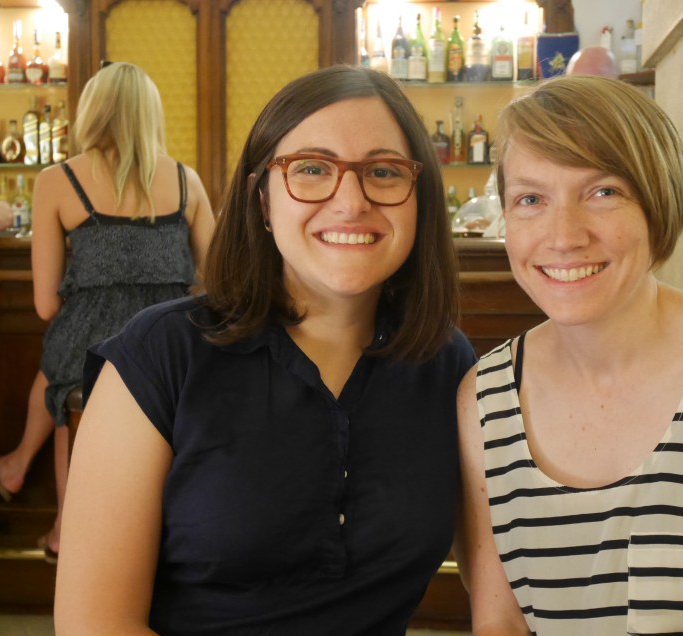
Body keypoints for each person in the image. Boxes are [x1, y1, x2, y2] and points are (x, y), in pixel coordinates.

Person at [54, 65, 475, 635]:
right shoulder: (160, 356)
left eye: (383, 171)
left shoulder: (448, 364)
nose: (351, 201)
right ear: (262, 202)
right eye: (311, 169)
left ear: (419, 200)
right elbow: (94, 625)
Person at [455, 76, 683, 635]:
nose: (564, 236)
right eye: (531, 200)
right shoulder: (484, 398)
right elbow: (500, 625)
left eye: (603, 192)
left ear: (659, 201)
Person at [0, 62, 214, 564]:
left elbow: (46, 304)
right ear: (150, 114)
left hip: (91, 348)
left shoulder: (58, 180)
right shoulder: (187, 181)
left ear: (91, 111)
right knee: (71, 371)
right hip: (171, 347)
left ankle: (66, 530)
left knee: (65, 375)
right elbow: (217, 282)